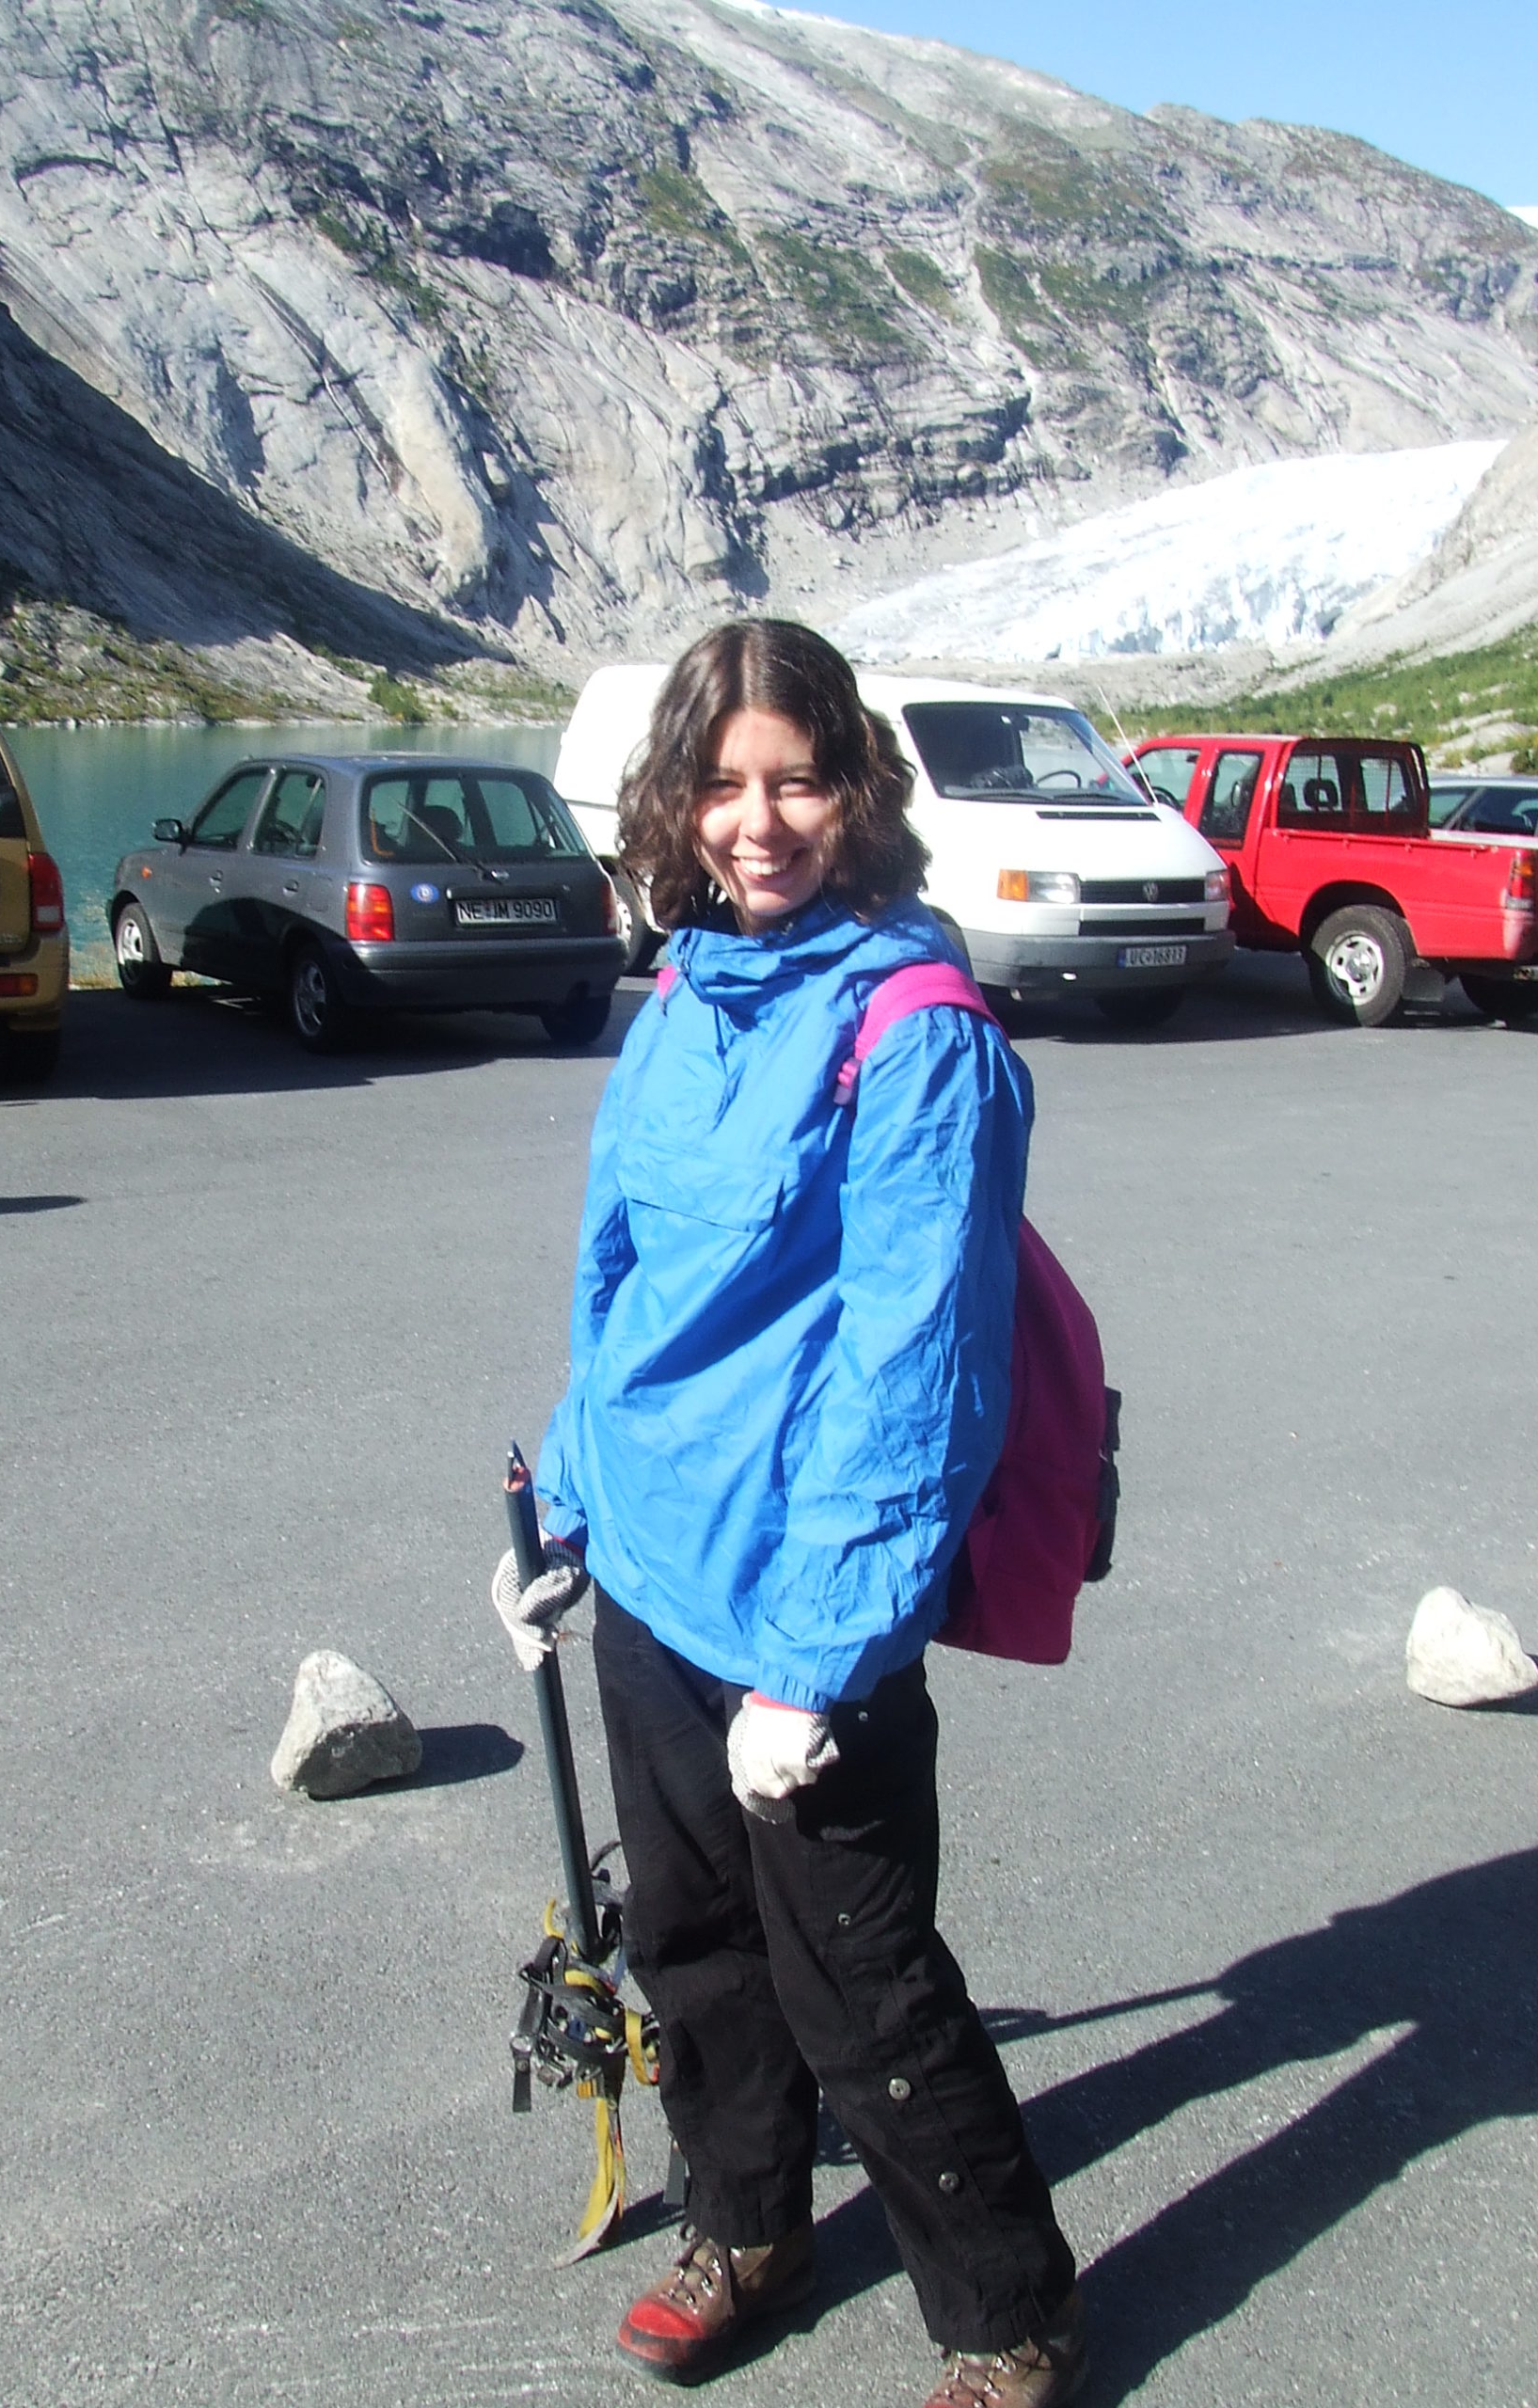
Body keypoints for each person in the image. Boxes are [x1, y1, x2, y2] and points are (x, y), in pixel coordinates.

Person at [493, 620, 1085, 2407]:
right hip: (651, 1574)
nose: (757, 822)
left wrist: (818, 1666)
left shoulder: (916, 1036)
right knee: (690, 1946)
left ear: (858, 793)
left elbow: (921, 1378)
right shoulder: (683, 997)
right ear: (677, 801)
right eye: (723, 784)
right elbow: (621, 1284)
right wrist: (563, 1508)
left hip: (801, 1609)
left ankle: (1008, 2316)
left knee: (861, 1978)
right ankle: (747, 2225)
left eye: (797, 780)